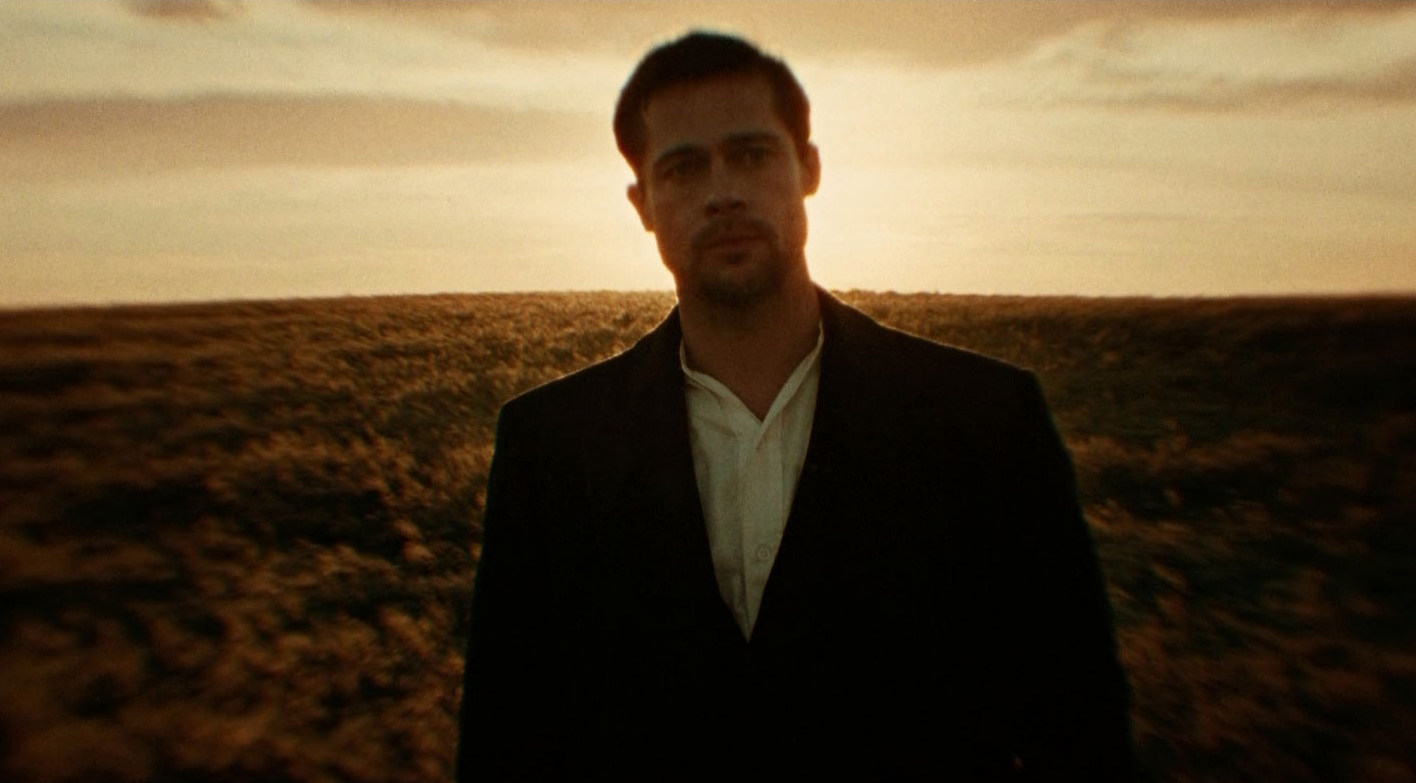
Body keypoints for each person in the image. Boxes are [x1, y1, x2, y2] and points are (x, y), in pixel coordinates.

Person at [457, 30, 1135, 780]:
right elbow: (505, 743)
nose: (723, 192)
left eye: (751, 154)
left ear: (808, 168)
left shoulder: (986, 421)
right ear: (641, 202)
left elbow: (1082, 734)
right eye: (683, 167)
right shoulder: (550, 446)